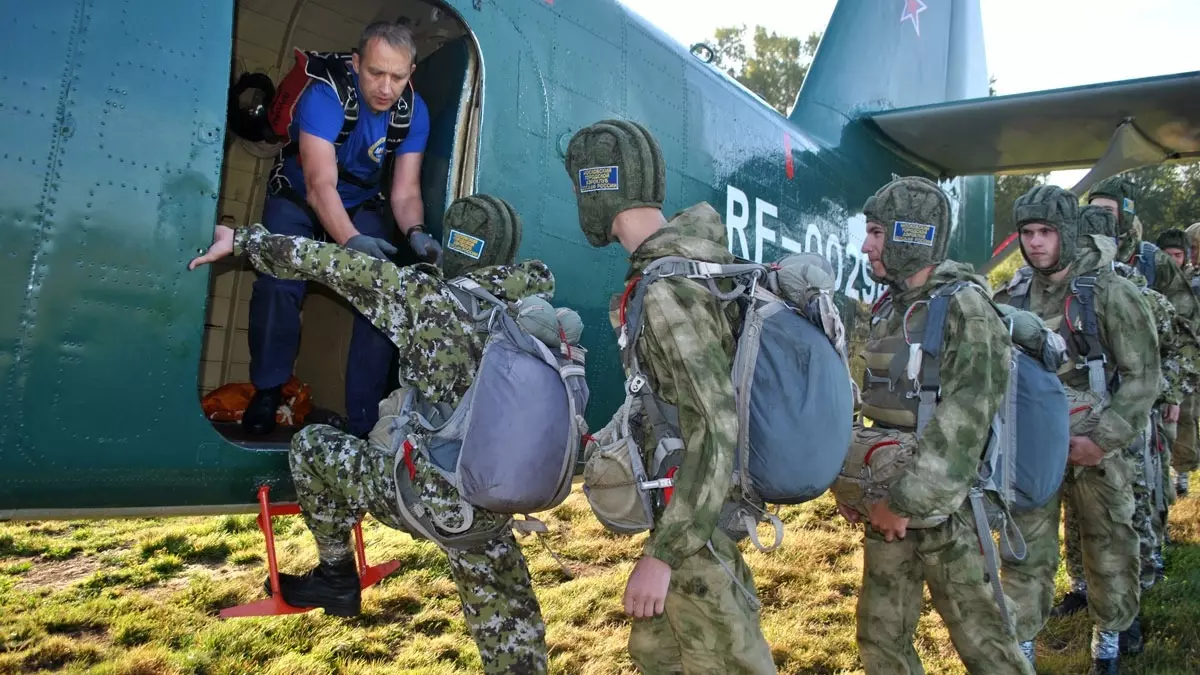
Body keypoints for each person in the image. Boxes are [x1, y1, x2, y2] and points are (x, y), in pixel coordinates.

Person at [189, 195, 551, 675]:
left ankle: (337, 576)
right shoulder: (532, 312)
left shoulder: (424, 300)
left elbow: (328, 263)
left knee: (312, 445)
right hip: (493, 503)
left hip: (426, 499)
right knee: (515, 642)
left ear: (452, 249)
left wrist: (243, 240)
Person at [563, 119, 777, 674]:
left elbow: (714, 421)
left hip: (693, 531)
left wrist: (663, 556)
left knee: (723, 659)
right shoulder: (690, 266)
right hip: (688, 516)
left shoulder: (665, 290)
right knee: (658, 653)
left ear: (596, 190)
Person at [833, 176, 1032, 675]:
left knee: (985, 645)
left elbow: (966, 422)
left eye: (877, 233)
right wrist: (855, 486)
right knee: (880, 637)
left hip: (950, 512)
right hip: (887, 504)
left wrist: (904, 504)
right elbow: (871, 404)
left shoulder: (966, 308)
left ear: (910, 234)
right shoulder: (889, 307)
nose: (866, 246)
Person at [244, 21, 443, 438]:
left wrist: (416, 234)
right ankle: (267, 390)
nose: (386, 88)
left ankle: (364, 420)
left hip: (360, 201)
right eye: (375, 73)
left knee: (379, 293)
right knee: (278, 282)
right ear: (356, 64)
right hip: (300, 197)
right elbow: (320, 186)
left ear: (410, 73)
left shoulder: (412, 111)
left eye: (398, 76)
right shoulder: (325, 95)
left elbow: (404, 192)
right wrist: (350, 241)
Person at [994, 186, 1160, 675]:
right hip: (1032, 444)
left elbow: (1143, 376)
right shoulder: (1012, 295)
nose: (1036, 243)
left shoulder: (1109, 292)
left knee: (1109, 545)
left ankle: (1108, 643)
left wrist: (1100, 439)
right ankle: (1020, 648)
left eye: (1046, 232)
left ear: (1066, 232)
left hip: (1097, 444)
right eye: (1027, 232)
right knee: (1023, 549)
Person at [1056, 205, 1198, 654]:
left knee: (1125, 521)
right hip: (1081, 422)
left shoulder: (1134, 293)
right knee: (1078, 518)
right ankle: (1082, 587)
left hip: (1127, 426)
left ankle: (1126, 613)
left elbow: (1174, 353)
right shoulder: (1064, 293)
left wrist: (1164, 401)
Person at [1087, 177, 1200, 502]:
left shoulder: (1154, 262)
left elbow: (1185, 332)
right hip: (1098, 396)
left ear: (1125, 213)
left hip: (1148, 396)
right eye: (1093, 210)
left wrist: (1173, 394)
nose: (1100, 219)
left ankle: (1153, 545)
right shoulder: (1080, 257)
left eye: (1108, 210)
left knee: (1149, 482)